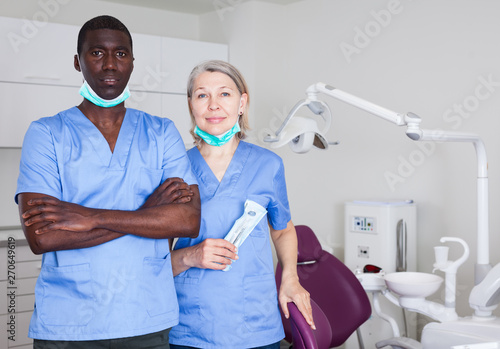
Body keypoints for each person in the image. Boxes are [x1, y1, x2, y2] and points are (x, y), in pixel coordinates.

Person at [15, 15, 200, 349]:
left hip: (146, 316)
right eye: (97, 53)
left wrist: (92, 217)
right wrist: (148, 213)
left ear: (131, 62)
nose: (110, 64)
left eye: (121, 54)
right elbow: (42, 237)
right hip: (69, 324)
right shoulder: (46, 134)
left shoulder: (161, 132)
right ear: (78, 61)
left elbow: (188, 220)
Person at [168, 60, 315, 349]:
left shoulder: (268, 165)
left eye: (224, 94)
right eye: (202, 95)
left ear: (242, 103)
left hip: (255, 324)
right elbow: (150, 258)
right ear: (191, 105)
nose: (213, 105)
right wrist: (191, 256)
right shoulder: (173, 168)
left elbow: (282, 230)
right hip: (190, 326)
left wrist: (290, 278)